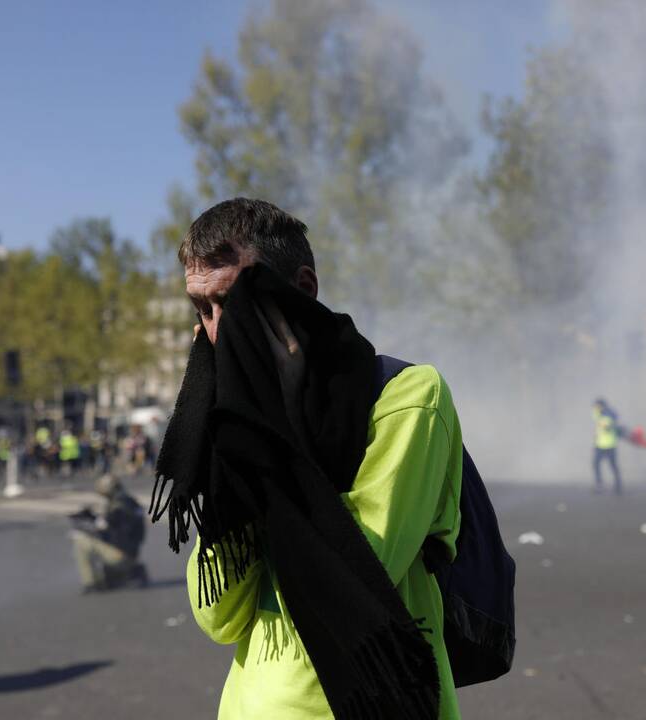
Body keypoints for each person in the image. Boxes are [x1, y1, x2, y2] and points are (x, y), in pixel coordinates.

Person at [154, 198, 464, 719]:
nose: (215, 331)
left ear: (301, 291)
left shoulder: (406, 398)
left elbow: (361, 574)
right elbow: (218, 617)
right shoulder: (236, 431)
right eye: (201, 310)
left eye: (232, 302)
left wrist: (284, 431)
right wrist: (237, 448)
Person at [69, 474, 148, 593]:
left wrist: (91, 520)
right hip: (132, 553)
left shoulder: (119, 505)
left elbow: (108, 526)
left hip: (121, 554)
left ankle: (90, 583)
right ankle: (128, 572)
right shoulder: (130, 502)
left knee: (80, 540)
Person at [592, 398, 623, 495]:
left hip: (609, 445)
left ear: (602, 406)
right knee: (596, 465)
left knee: (612, 466)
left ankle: (618, 486)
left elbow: (608, 425)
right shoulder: (599, 414)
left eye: (597, 406)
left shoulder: (608, 415)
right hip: (600, 445)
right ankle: (599, 485)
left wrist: (607, 426)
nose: (595, 408)